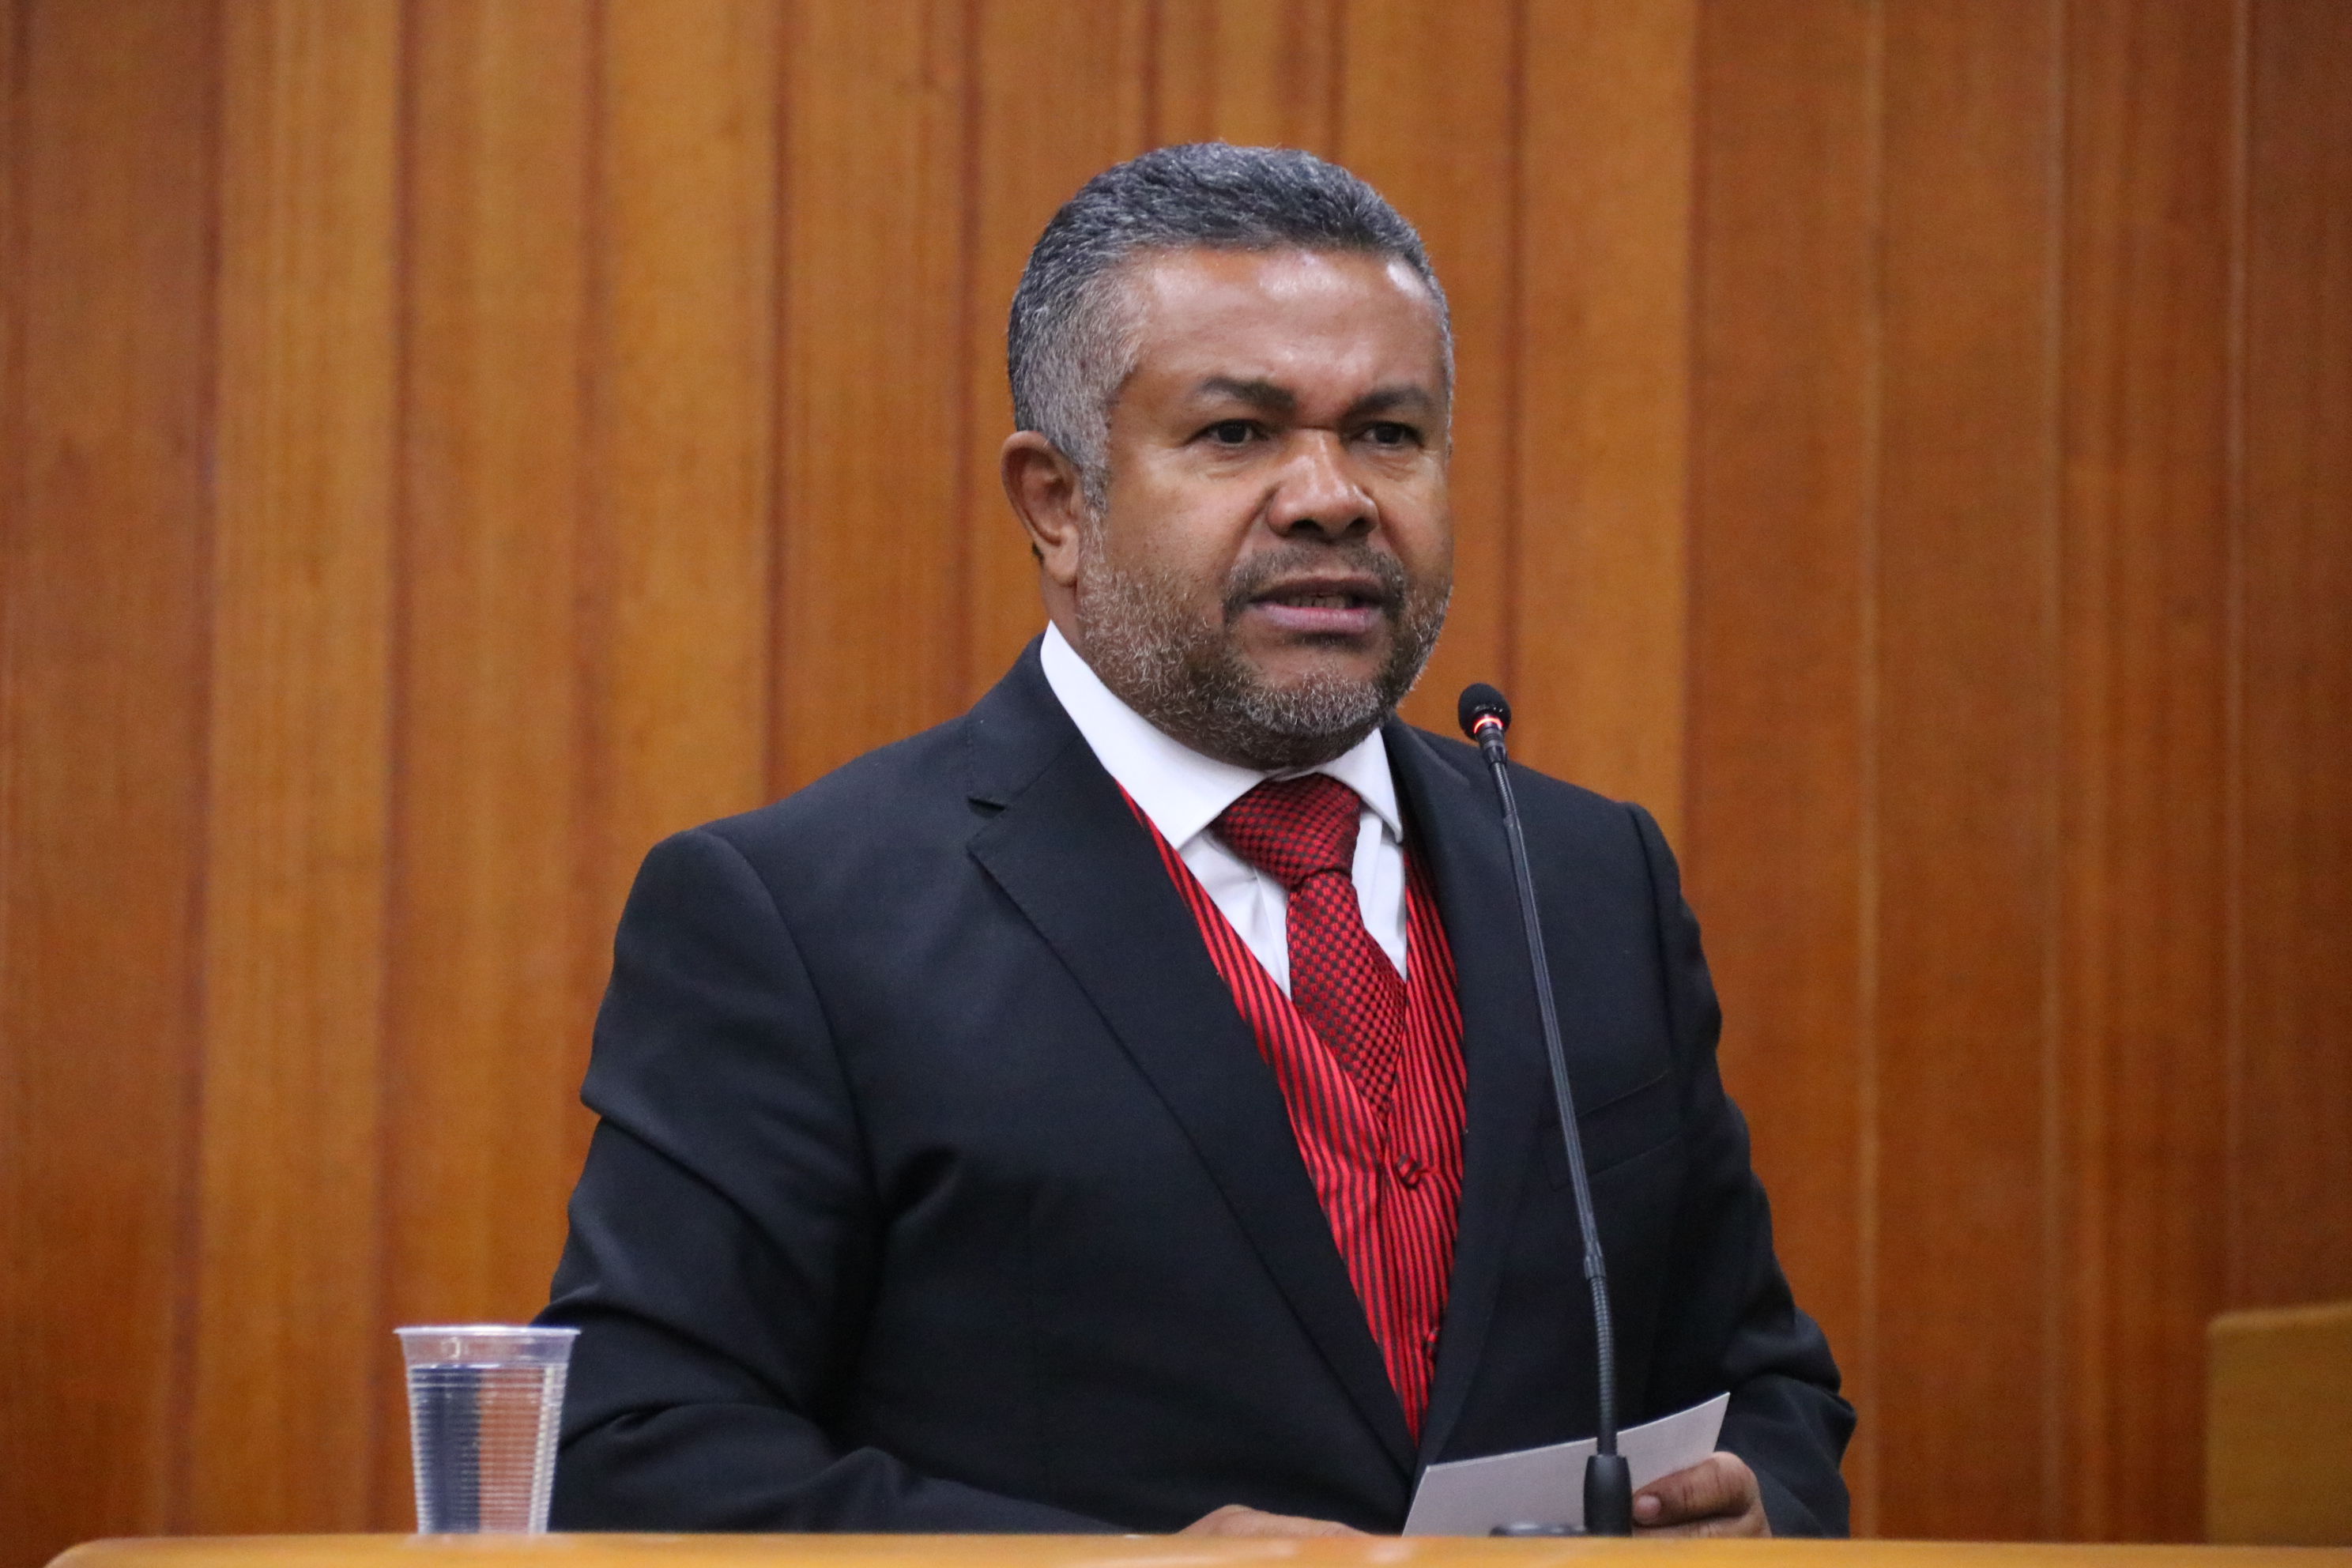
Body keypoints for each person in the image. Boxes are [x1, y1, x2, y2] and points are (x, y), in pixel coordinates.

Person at [541, 142, 1853, 1538]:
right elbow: (636, 1447)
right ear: (1058, 502)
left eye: (1388, 434)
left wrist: (1758, 1509)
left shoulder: (1590, 880)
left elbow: (1763, 1387)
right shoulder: (796, 917)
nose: (1333, 495)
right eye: (1237, 434)